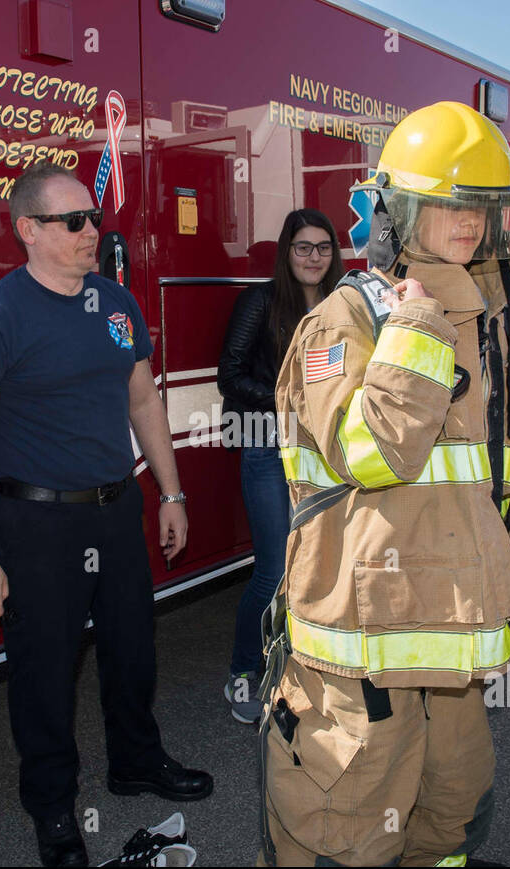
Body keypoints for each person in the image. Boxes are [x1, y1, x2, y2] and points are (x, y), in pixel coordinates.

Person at [264, 101, 510, 867]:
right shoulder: (346, 320)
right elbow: (370, 455)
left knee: (451, 808)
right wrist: (417, 333)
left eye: (482, 207)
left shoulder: (495, 318)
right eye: (446, 203)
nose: (467, 223)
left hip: (457, 633)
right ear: (399, 208)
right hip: (364, 638)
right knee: (350, 821)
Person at [0, 162, 212, 868]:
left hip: (115, 511)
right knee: (44, 673)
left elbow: (144, 402)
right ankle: (53, 807)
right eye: (74, 222)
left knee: (132, 650)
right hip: (38, 526)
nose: (94, 232)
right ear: (29, 230)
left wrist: (170, 495)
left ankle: (136, 761)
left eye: (94, 219)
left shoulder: (115, 304)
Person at [217, 209, 343, 722]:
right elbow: (230, 376)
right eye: (303, 247)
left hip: (327, 451)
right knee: (273, 569)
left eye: (323, 247)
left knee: (317, 568)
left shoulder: (345, 304)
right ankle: (244, 672)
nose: (314, 257)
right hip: (270, 447)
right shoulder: (260, 302)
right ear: (286, 253)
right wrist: (286, 400)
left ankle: (298, 666)